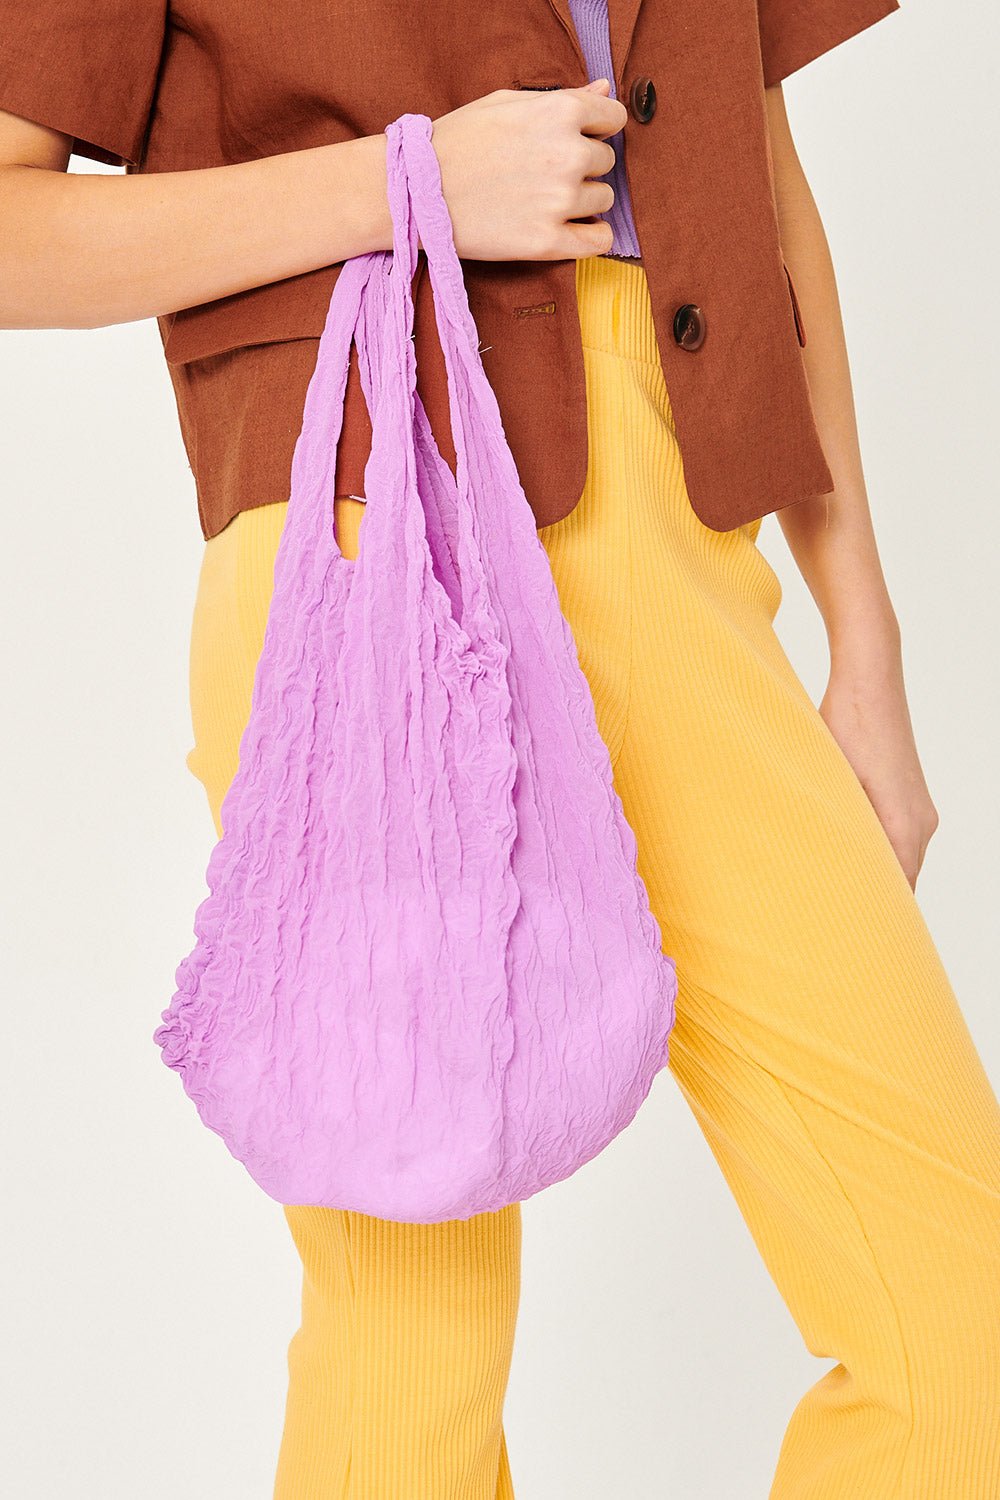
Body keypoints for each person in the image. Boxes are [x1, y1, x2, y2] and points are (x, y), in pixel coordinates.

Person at [2, 2, 998, 1496]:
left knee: (960, 1328)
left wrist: (867, 643)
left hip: (676, 538)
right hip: (361, 537)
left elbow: (754, 165)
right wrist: (401, 184)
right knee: (412, 1371)